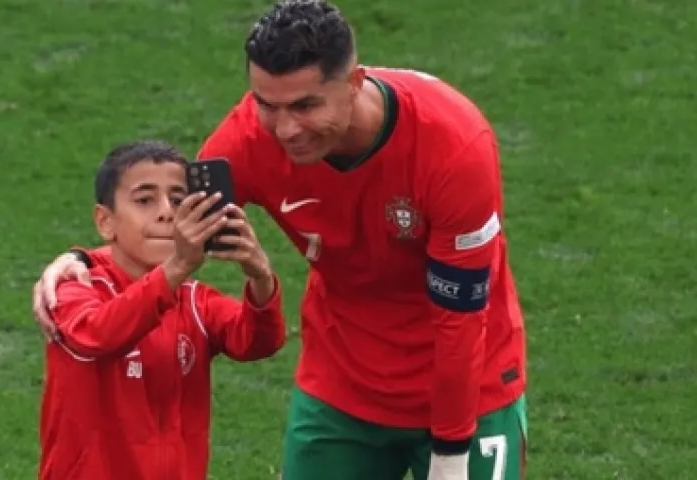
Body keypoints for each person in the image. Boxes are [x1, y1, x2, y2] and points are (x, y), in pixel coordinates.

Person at [32, 1, 528, 479]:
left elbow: (459, 320)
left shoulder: (452, 149)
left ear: (355, 83)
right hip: (343, 390)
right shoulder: (245, 142)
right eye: (266, 105)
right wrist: (83, 261)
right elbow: (172, 219)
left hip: (470, 390)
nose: (286, 129)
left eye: (305, 105)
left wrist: (451, 454)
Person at [38, 140, 286, 480]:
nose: (166, 212)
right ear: (105, 221)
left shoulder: (197, 302)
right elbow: (96, 334)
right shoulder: (73, 288)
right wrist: (178, 267)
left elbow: (260, 342)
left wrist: (260, 277)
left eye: (178, 200)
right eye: (144, 200)